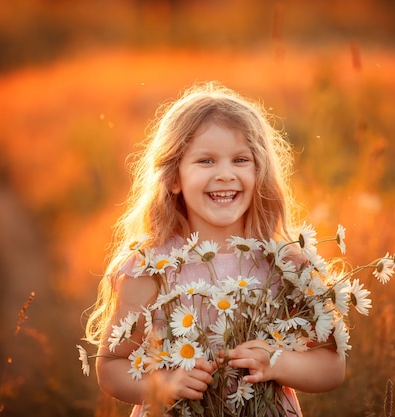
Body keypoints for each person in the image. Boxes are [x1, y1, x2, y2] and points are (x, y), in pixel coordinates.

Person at [84, 81, 345, 416]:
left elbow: (333, 366)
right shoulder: (151, 268)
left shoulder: (285, 265)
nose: (225, 174)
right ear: (174, 178)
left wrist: (278, 363)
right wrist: (164, 385)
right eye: (206, 161)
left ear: (259, 171)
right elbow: (111, 367)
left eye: (240, 160)